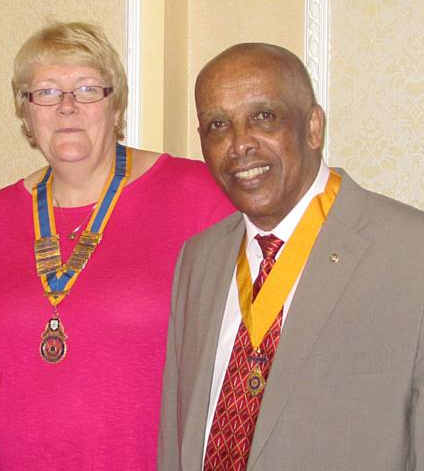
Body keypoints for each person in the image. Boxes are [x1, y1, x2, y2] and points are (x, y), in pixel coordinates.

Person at [0, 21, 234, 470]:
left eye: (86, 89)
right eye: (45, 91)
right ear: (25, 113)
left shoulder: (196, 195)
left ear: (114, 104)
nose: (66, 107)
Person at [157, 42, 424, 470]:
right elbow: (176, 436)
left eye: (263, 117)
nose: (240, 144)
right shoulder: (198, 259)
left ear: (313, 127)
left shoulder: (411, 254)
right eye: (217, 125)